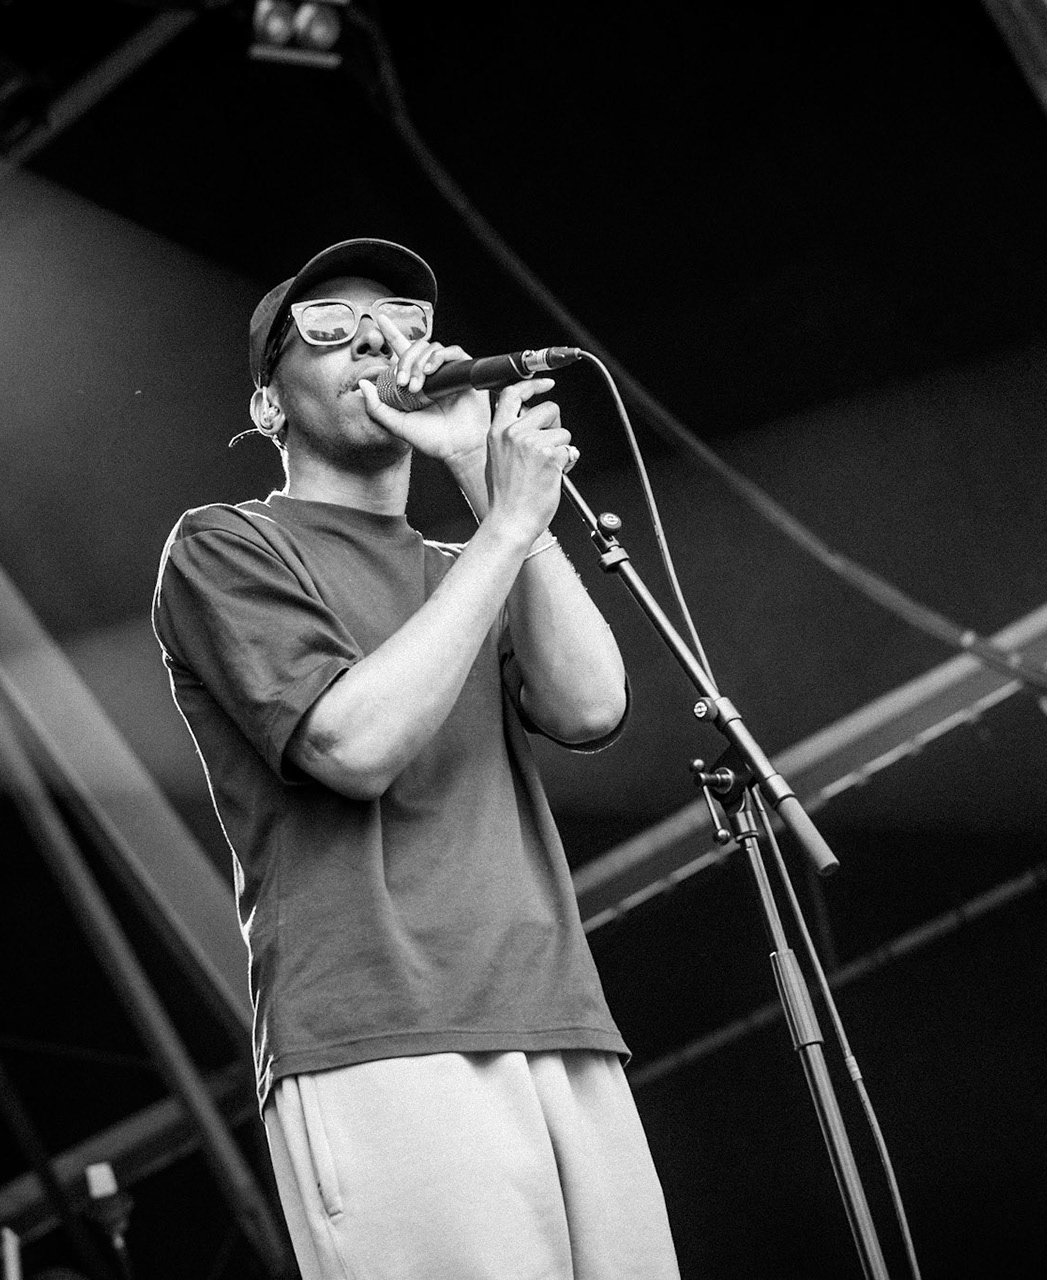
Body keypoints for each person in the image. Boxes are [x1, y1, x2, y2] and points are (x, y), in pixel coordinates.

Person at [152, 238, 679, 1278]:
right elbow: (354, 745)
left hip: (555, 1013)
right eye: (329, 330)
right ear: (268, 405)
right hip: (378, 1031)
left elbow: (590, 703)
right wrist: (507, 528)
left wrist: (490, 492)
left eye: (399, 320)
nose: (376, 344)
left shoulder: (470, 559)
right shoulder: (224, 544)